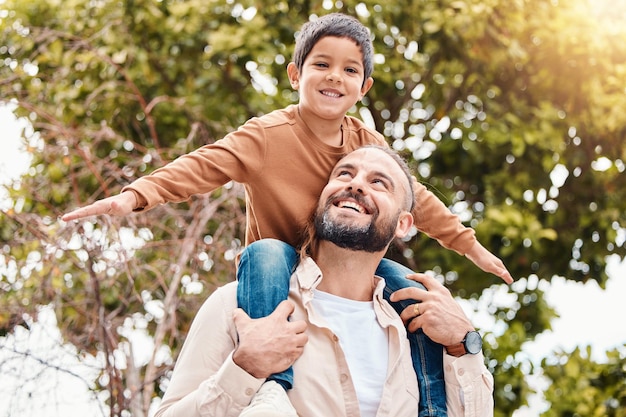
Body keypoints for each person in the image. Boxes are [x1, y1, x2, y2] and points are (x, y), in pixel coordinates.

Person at [62, 13, 511, 417]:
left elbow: (419, 198)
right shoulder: (266, 136)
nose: (334, 77)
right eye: (321, 64)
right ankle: (274, 386)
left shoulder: (367, 145)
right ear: (296, 74)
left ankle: (432, 409)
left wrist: (470, 250)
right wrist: (136, 195)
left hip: (354, 281)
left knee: (408, 286)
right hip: (279, 271)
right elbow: (203, 164)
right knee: (268, 252)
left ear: (364, 87)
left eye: (350, 70)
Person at [154, 146, 494, 417]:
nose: (356, 184)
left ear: (403, 225)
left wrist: (464, 343)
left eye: (379, 182)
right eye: (344, 173)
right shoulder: (237, 307)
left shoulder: (419, 333)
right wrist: (245, 368)